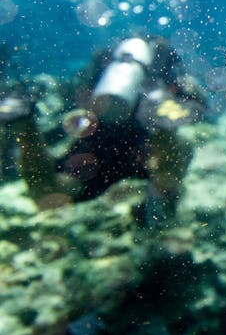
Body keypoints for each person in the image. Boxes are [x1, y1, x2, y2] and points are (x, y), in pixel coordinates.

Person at [0, 35, 206, 218]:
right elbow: (198, 107)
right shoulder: (167, 77)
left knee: (47, 194)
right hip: (146, 151)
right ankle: (161, 215)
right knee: (180, 145)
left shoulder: (106, 68)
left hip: (99, 149)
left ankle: (25, 123)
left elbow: (77, 102)